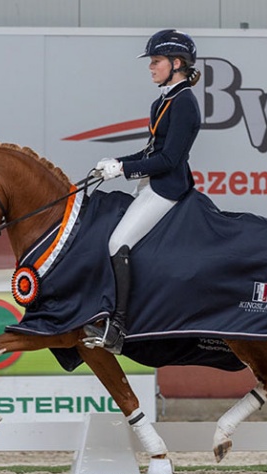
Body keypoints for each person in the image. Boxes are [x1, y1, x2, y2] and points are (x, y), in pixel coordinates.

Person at [83, 29, 202, 355]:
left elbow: (168, 160)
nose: (151, 67)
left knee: (118, 242)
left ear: (176, 63)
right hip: (149, 184)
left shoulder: (185, 104)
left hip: (167, 188)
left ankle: (117, 327)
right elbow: (151, 150)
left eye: (157, 61)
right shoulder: (163, 100)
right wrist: (116, 162)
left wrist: (123, 170)